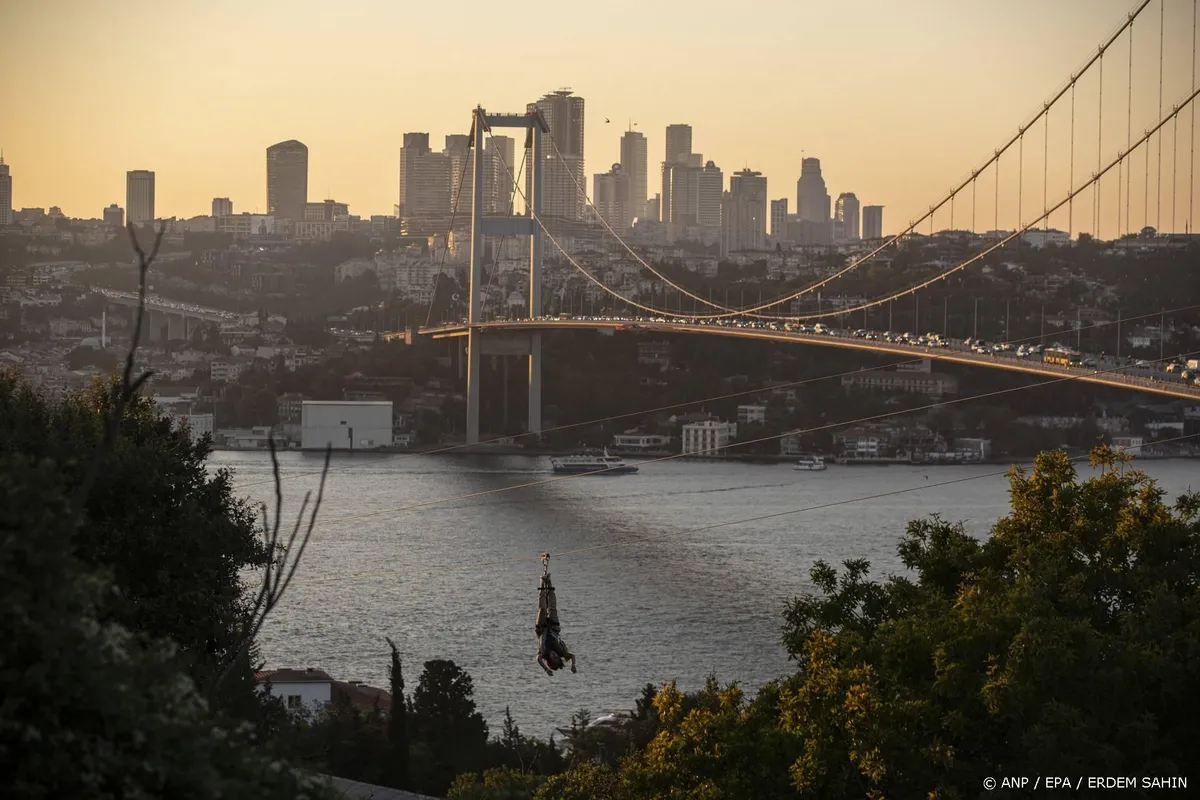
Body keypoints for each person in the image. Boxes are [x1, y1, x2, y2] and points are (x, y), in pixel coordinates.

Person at [535, 558, 577, 677]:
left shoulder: (543, 654)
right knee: (552, 607)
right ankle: (549, 582)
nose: (554, 655)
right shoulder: (562, 653)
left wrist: (546, 669)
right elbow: (572, 656)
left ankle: (542, 583)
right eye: (556, 658)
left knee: (542, 609)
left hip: (541, 629)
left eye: (552, 657)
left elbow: (538, 659)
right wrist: (573, 665)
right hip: (554, 628)